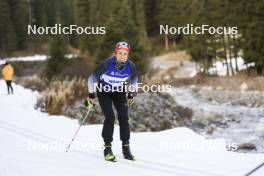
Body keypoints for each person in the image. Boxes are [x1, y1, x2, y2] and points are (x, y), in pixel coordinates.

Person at [85, 41, 138, 161]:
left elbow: (135, 79)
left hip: (119, 92)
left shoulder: (131, 66)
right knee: (110, 118)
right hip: (104, 92)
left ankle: (126, 149)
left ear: (128, 55)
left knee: (124, 117)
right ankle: (107, 149)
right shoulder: (107, 64)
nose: (122, 56)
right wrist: (91, 95)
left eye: (125, 54)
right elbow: (91, 79)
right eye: (120, 53)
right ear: (115, 53)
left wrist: (130, 95)